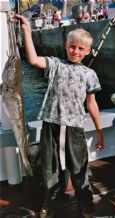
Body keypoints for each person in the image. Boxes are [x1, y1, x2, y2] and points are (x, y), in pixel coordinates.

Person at [15, 14, 105, 218]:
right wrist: (27, 30)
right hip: (51, 125)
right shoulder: (55, 64)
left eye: (81, 48)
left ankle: (86, 202)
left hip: (74, 128)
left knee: (79, 169)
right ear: (66, 46)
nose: (76, 51)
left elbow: (92, 104)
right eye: (72, 46)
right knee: (50, 169)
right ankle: (50, 202)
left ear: (87, 51)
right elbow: (33, 60)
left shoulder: (89, 74)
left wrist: (99, 132)